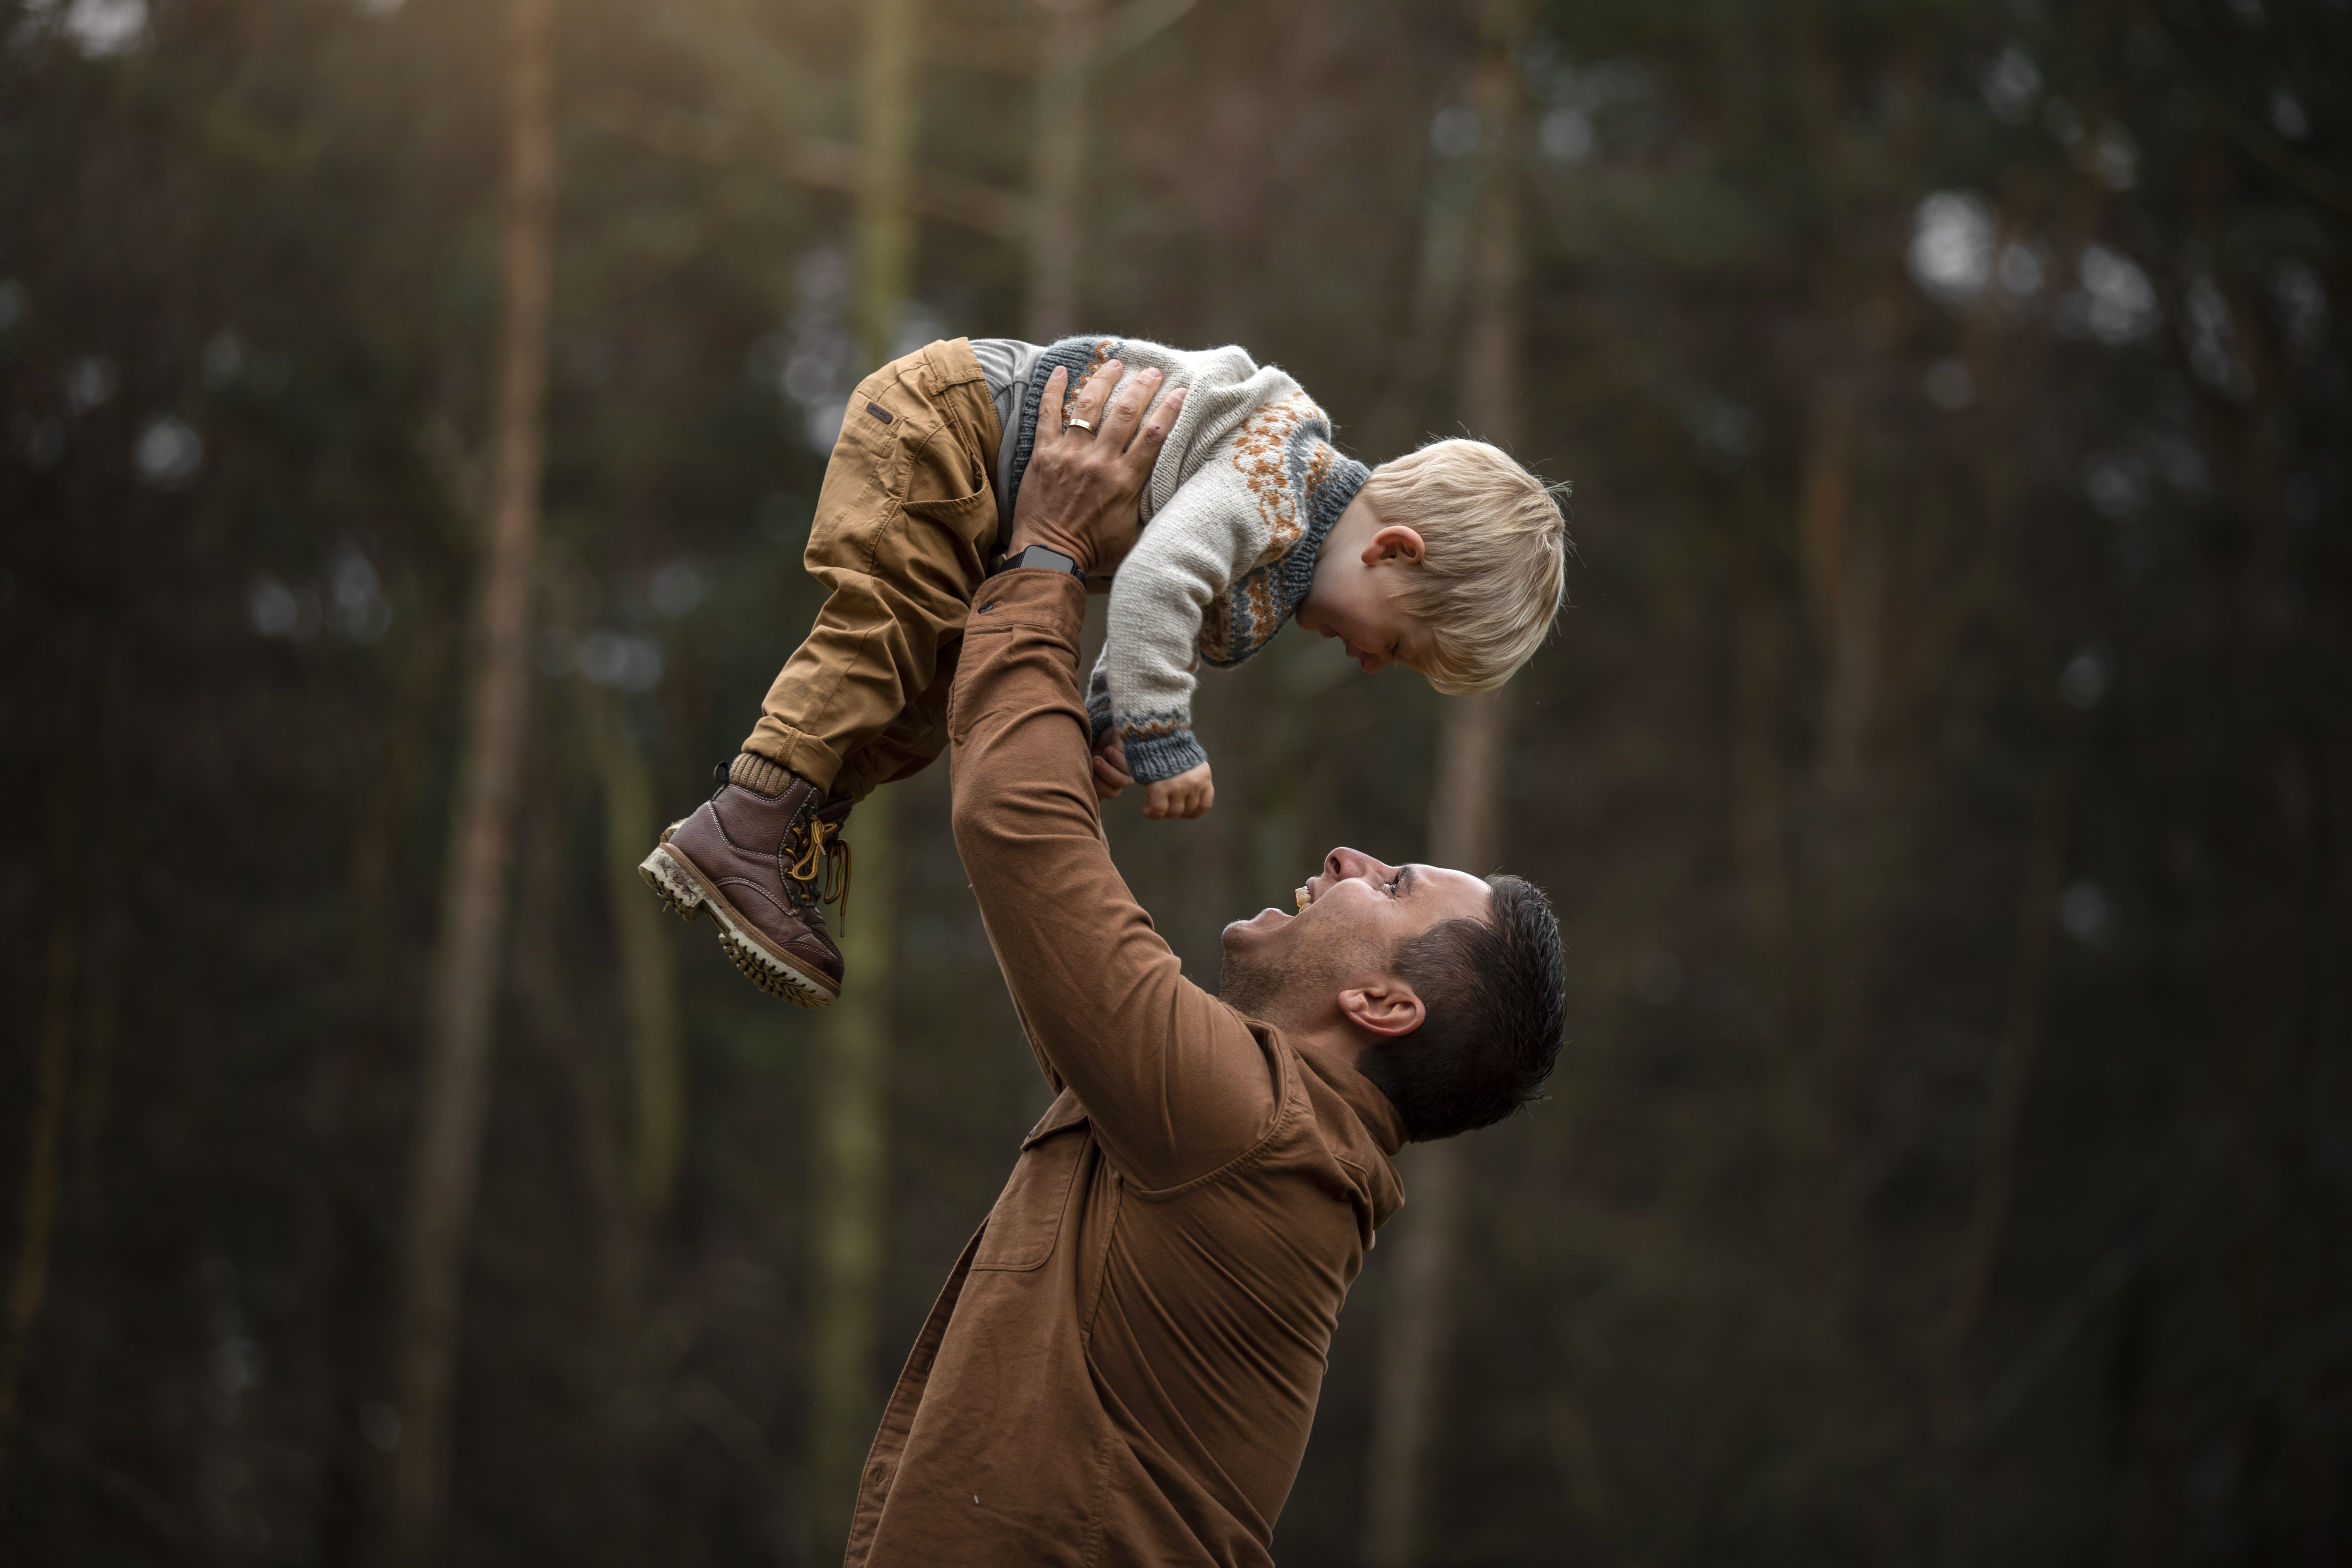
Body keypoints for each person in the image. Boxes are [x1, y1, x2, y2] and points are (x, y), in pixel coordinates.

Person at [833, 367, 1567, 1567]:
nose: (1347, 854)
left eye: (1388, 887)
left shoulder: (1247, 1130)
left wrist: (1049, 554)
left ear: (1383, 1005)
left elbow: (1020, 833)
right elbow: (1041, 855)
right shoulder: (1255, 1136)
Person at [638, 334, 1569, 1006]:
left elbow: (1143, 618)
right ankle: (747, 820)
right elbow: (1158, 582)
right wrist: (1164, 736)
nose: (1372, 665)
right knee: (890, 628)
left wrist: (1108, 723)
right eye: (1397, 647)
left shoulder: (1274, 572)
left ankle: (784, 835)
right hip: (952, 423)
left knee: (928, 708)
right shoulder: (1274, 474)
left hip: (991, 500)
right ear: (1392, 552)